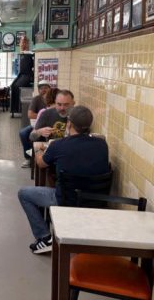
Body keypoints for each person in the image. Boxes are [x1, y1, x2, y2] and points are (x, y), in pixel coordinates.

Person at [17, 106, 109, 254]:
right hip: (95, 200)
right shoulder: (102, 144)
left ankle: (44, 237)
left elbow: (41, 163)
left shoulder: (58, 145)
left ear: (69, 124)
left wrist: (39, 150)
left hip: (67, 199)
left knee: (24, 194)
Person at [18, 81, 52, 167]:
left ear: (50, 89)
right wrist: (44, 116)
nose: (43, 90)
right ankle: (28, 158)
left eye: (45, 88)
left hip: (51, 125)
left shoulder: (54, 99)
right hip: (37, 124)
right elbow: (30, 114)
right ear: (38, 90)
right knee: (23, 133)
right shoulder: (36, 99)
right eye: (41, 88)